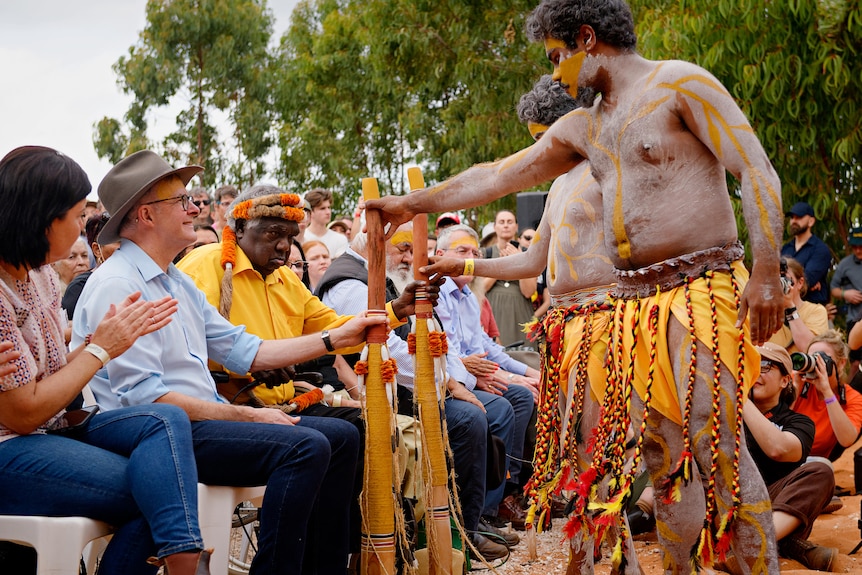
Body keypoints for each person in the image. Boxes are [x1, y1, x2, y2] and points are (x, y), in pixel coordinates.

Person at [367, 0, 786, 570]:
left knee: (716, 448)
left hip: (701, 288)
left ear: (588, 39)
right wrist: (410, 203)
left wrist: (767, 271)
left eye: (558, 58)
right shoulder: (584, 126)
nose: (557, 75)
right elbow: (497, 174)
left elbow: (756, 168)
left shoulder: (680, 84)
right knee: (665, 461)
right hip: (634, 309)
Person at [72, 150, 387, 575]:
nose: (195, 208)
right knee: (306, 445)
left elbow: (245, 350)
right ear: (146, 215)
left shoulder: (174, 279)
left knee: (342, 437)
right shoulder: (119, 284)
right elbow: (149, 402)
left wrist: (334, 337)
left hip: (198, 424)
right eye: (181, 201)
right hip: (160, 439)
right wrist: (248, 416)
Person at [0, 145, 216, 575]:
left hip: (53, 429)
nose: (85, 229)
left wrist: (102, 342)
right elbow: (23, 414)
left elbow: (51, 382)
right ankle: (186, 563)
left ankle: (182, 561)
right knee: (157, 489)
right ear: (43, 218)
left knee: (164, 421)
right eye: (78, 216)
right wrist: (101, 349)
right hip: (13, 445)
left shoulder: (39, 273)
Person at [316, 224, 515, 560]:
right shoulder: (350, 283)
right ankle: (458, 534)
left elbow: (432, 335)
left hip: (409, 385)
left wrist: (452, 379)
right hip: (381, 391)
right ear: (373, 239)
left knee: (491, 408)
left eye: (412, 249)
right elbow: (387, 349)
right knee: (469, 419)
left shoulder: (385, 274)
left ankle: (470, 522)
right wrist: (447, 381)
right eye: (403, 248)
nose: (409, 257)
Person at [430, 225, 541, 533]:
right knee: (511, 402)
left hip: (472, 375)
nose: (470, 259)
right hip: (449, 383)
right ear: (439, 256)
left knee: (528, 391)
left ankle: (508, 492)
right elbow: (450, 354)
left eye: (475, 254)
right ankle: (487, 510)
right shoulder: (434, 293)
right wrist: (489, 376)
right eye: (462, 252)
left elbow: (486, 349)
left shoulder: (468, 295)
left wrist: (530, 373)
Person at [735, 343, 838, 572]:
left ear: (785, 380)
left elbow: (778, 449)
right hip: (730, 506)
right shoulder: (724, 414)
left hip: (773, 506)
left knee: (821, 472)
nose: (755, 372)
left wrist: (741, 399)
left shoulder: (799, 422)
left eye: (764, 366)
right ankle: (787, 544)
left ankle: (753, 544)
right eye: (750, 365)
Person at [791, 330, 862, 462]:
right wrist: (795, 387)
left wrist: (827, 392)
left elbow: (847, 439)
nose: (816, 365)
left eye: (822, 358)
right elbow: (774, 424)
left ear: (841, 364)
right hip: (781, 454)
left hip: (813, 465)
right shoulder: (795, 381)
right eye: (812, 358)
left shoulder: (853, 398)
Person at [481, 210, 537, 349]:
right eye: (501, 222)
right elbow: (481, 288)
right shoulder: (485, 253)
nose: (505, 226)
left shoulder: (528, 253)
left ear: (516, 227)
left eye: (509, 222)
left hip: (520, 313)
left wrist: (519, 261)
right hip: (494, 313)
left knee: (525, 358)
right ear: (495, 227)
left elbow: (528, 292)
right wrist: (502, 263)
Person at [768, 257, 829, 354]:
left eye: (785, 278)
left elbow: (808, 349)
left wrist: (790, 308)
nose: (779, 284)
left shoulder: (816, 310)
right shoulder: (763, 312)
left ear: (800, 283)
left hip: (798, 368)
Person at [781, 202, 832, 306]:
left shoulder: (820, 249)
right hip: (785, 309)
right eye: (792, 218)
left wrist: (803, 283)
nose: (794, 221)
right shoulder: (785, 249)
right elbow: (775, 277)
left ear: (811, 221)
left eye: (799, 217)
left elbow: (806, 281)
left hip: (811, 311)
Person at [830, 226, 862, 368]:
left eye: (861, 246)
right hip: (854, 319)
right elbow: (833, 289)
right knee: (855, 363)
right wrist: (845, 294)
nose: (858, 250)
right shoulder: (845, 264)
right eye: (854, 247)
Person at [303, 188, 348, 258]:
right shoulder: (302, 237)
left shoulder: (340, 239)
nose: (328, 212)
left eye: (329, 207)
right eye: (322, 208)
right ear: (310, 212)